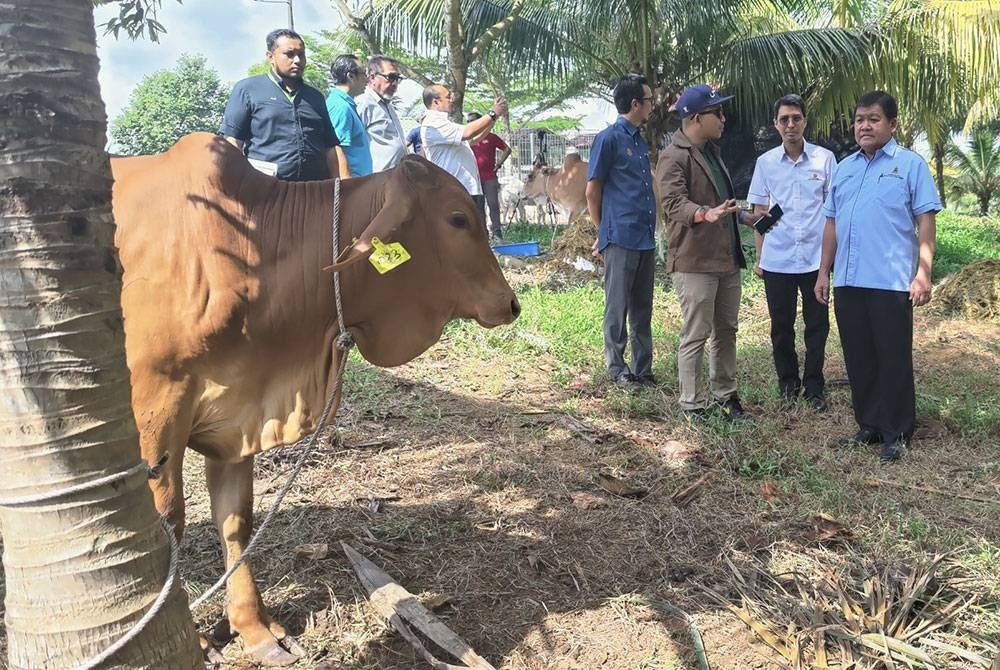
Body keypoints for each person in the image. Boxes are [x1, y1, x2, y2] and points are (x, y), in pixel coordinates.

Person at [815, 90, 940, 462]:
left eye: (873, 119)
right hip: (848, 280)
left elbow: (926, 220)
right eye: (859, 120)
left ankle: (897, 431)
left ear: (892, 124)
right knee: (859, 356)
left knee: (892, 356)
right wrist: (824, 272)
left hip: (890, 280)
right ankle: (869, 424)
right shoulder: (845, 167)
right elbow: (832, 222)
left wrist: (924, 273)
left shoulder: (910, 165)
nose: (864, 126)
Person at [655, 83, 763, 421]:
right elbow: (673, 203)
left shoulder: (711, 152)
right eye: (717, 112)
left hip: (726, 258)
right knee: (696, 333)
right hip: (695, 261)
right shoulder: (673, 156)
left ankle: (725, 396)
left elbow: (721, 201)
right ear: (697, 118)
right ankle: (692, 403)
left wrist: (744, 216)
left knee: (726, 330)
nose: (723, 118)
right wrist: (703, 213)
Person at [747, 94, 836, 410]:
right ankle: (787, 382)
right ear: (775, 124)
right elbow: (759, 213)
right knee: (781, 328)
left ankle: (814, 387)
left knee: (817, 327)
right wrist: (759, 259)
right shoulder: (766, 163)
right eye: (784, 119)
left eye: (796, 118)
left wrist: (828, 263)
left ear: (805, 121)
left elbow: (833, 213)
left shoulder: (825, 160)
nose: (790, 124)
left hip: (814, 261)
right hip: (778, 260)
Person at [585, 73, 657, 390]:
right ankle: (617, 368)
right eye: (650, 100)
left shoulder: (639, 141)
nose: (653, 106)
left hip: (644, 237)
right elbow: (592, 191)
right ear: (635, 103)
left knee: (643, 307)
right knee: (618, 306)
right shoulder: (609, 139)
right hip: (620, 236)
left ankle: (643, 369)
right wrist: (603, 233)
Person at [219, 28, 343, 182]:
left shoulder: (315, 97)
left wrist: (341, 187)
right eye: (289, 54)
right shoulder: (248, 89)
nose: (297, 60)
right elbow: (232, 142)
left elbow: (331, 147)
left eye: (301, 54)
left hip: (314, 192)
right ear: (270, 57)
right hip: (266, 191)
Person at [419, 84, 508, 214]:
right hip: (454, 192)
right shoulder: (433, 124)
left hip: (465, 190)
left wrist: (495, 117)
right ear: (436, 102)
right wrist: (492, 114)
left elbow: (473, 139)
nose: (452, 100)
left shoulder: (444, 123)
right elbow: (467, 133)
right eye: (448, 97)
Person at [356, 55, 407, 172]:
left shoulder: (388, 105)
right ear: (372, 77)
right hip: (376, 181)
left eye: (398, 78)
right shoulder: (363, 103)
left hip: (396, 178)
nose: (395, 83)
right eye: (391, 77)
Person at [325, 54, 372, 177]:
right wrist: (346, 190)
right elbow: (336, 151)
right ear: (351, 76)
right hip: (352, 188)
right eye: (363, 73)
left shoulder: (346, 104)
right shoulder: (340, 107)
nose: (367, 79)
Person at [467, 112, 512, 239]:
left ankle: (497, 231)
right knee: (478, 206)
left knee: (493, 204)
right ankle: (483, 234)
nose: (470, 124)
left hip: (490, 177)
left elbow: (507, 149)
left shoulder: (491, 137)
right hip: (474, 179)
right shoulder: (467, 141)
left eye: (473, 121)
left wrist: (498, 164)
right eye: (468, 121)